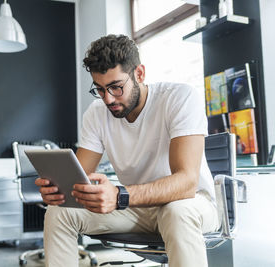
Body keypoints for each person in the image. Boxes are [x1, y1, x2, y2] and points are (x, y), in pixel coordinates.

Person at [35, 34, 218, 267]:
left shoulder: (179, 97)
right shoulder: (96, 113)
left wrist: (120, 195)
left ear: (139, 74)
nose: (108, 99)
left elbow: (186, 182)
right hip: (136, 209)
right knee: (59, 212)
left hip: (191, 202)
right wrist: (58, 190)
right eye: (100, 90)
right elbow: (78, 178)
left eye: (116, 87)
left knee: (177, 212)